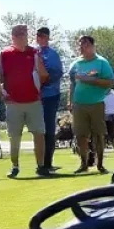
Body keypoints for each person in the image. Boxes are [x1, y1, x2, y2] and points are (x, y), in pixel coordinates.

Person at [0, 24, 49, 178]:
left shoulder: (34, 52)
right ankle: (15, 166)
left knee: (39, 134)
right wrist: (2, 93)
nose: (22, 37)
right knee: (14, 136)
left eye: (24, 34)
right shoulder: (5, 54)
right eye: (18, 34)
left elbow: (44, 74)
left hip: (34, 101)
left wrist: (37, 86)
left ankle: (40, 166)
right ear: (12, 37)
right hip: (13, 103)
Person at [68, 35, 114, 174]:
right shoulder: (75, 64)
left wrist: (89, 80)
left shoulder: (101, 62)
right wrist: (69, 101)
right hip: (78, 104)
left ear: (93, 46)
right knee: (80, 135)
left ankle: (100, 164)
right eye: (80, 44)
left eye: (86, 44)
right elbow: (72, 84)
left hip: (96, 103)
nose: (82, 46)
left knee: (98, 134)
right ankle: (84, 164)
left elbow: (110, 82)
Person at [35, 26, 63, 173]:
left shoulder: (52, 54)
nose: (39, 38)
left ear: (47, 37)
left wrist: (42, 82)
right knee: (38, 130)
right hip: (35, 97)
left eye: (41, 35)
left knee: (49, 129)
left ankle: (47, 163)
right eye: (37, 35)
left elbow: (57, 73)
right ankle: (40, 163)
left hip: (50, 96)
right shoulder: (33, 53)